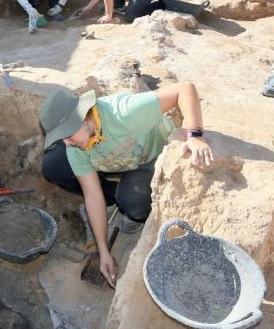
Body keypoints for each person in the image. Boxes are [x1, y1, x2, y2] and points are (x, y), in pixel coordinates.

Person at [39, 83, 213, 287]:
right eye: (62, 138)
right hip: (119, 162)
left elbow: (185, 88)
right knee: (54, 164)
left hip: (152, 159)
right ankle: (115, 197)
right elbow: (93, 196)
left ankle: (133, 205)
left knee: (134, 199)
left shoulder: (125, 112)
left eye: (68, 136)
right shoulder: (76, 148)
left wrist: (194, 135)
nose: (66, 143)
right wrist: (103, 251)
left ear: (84, 117)